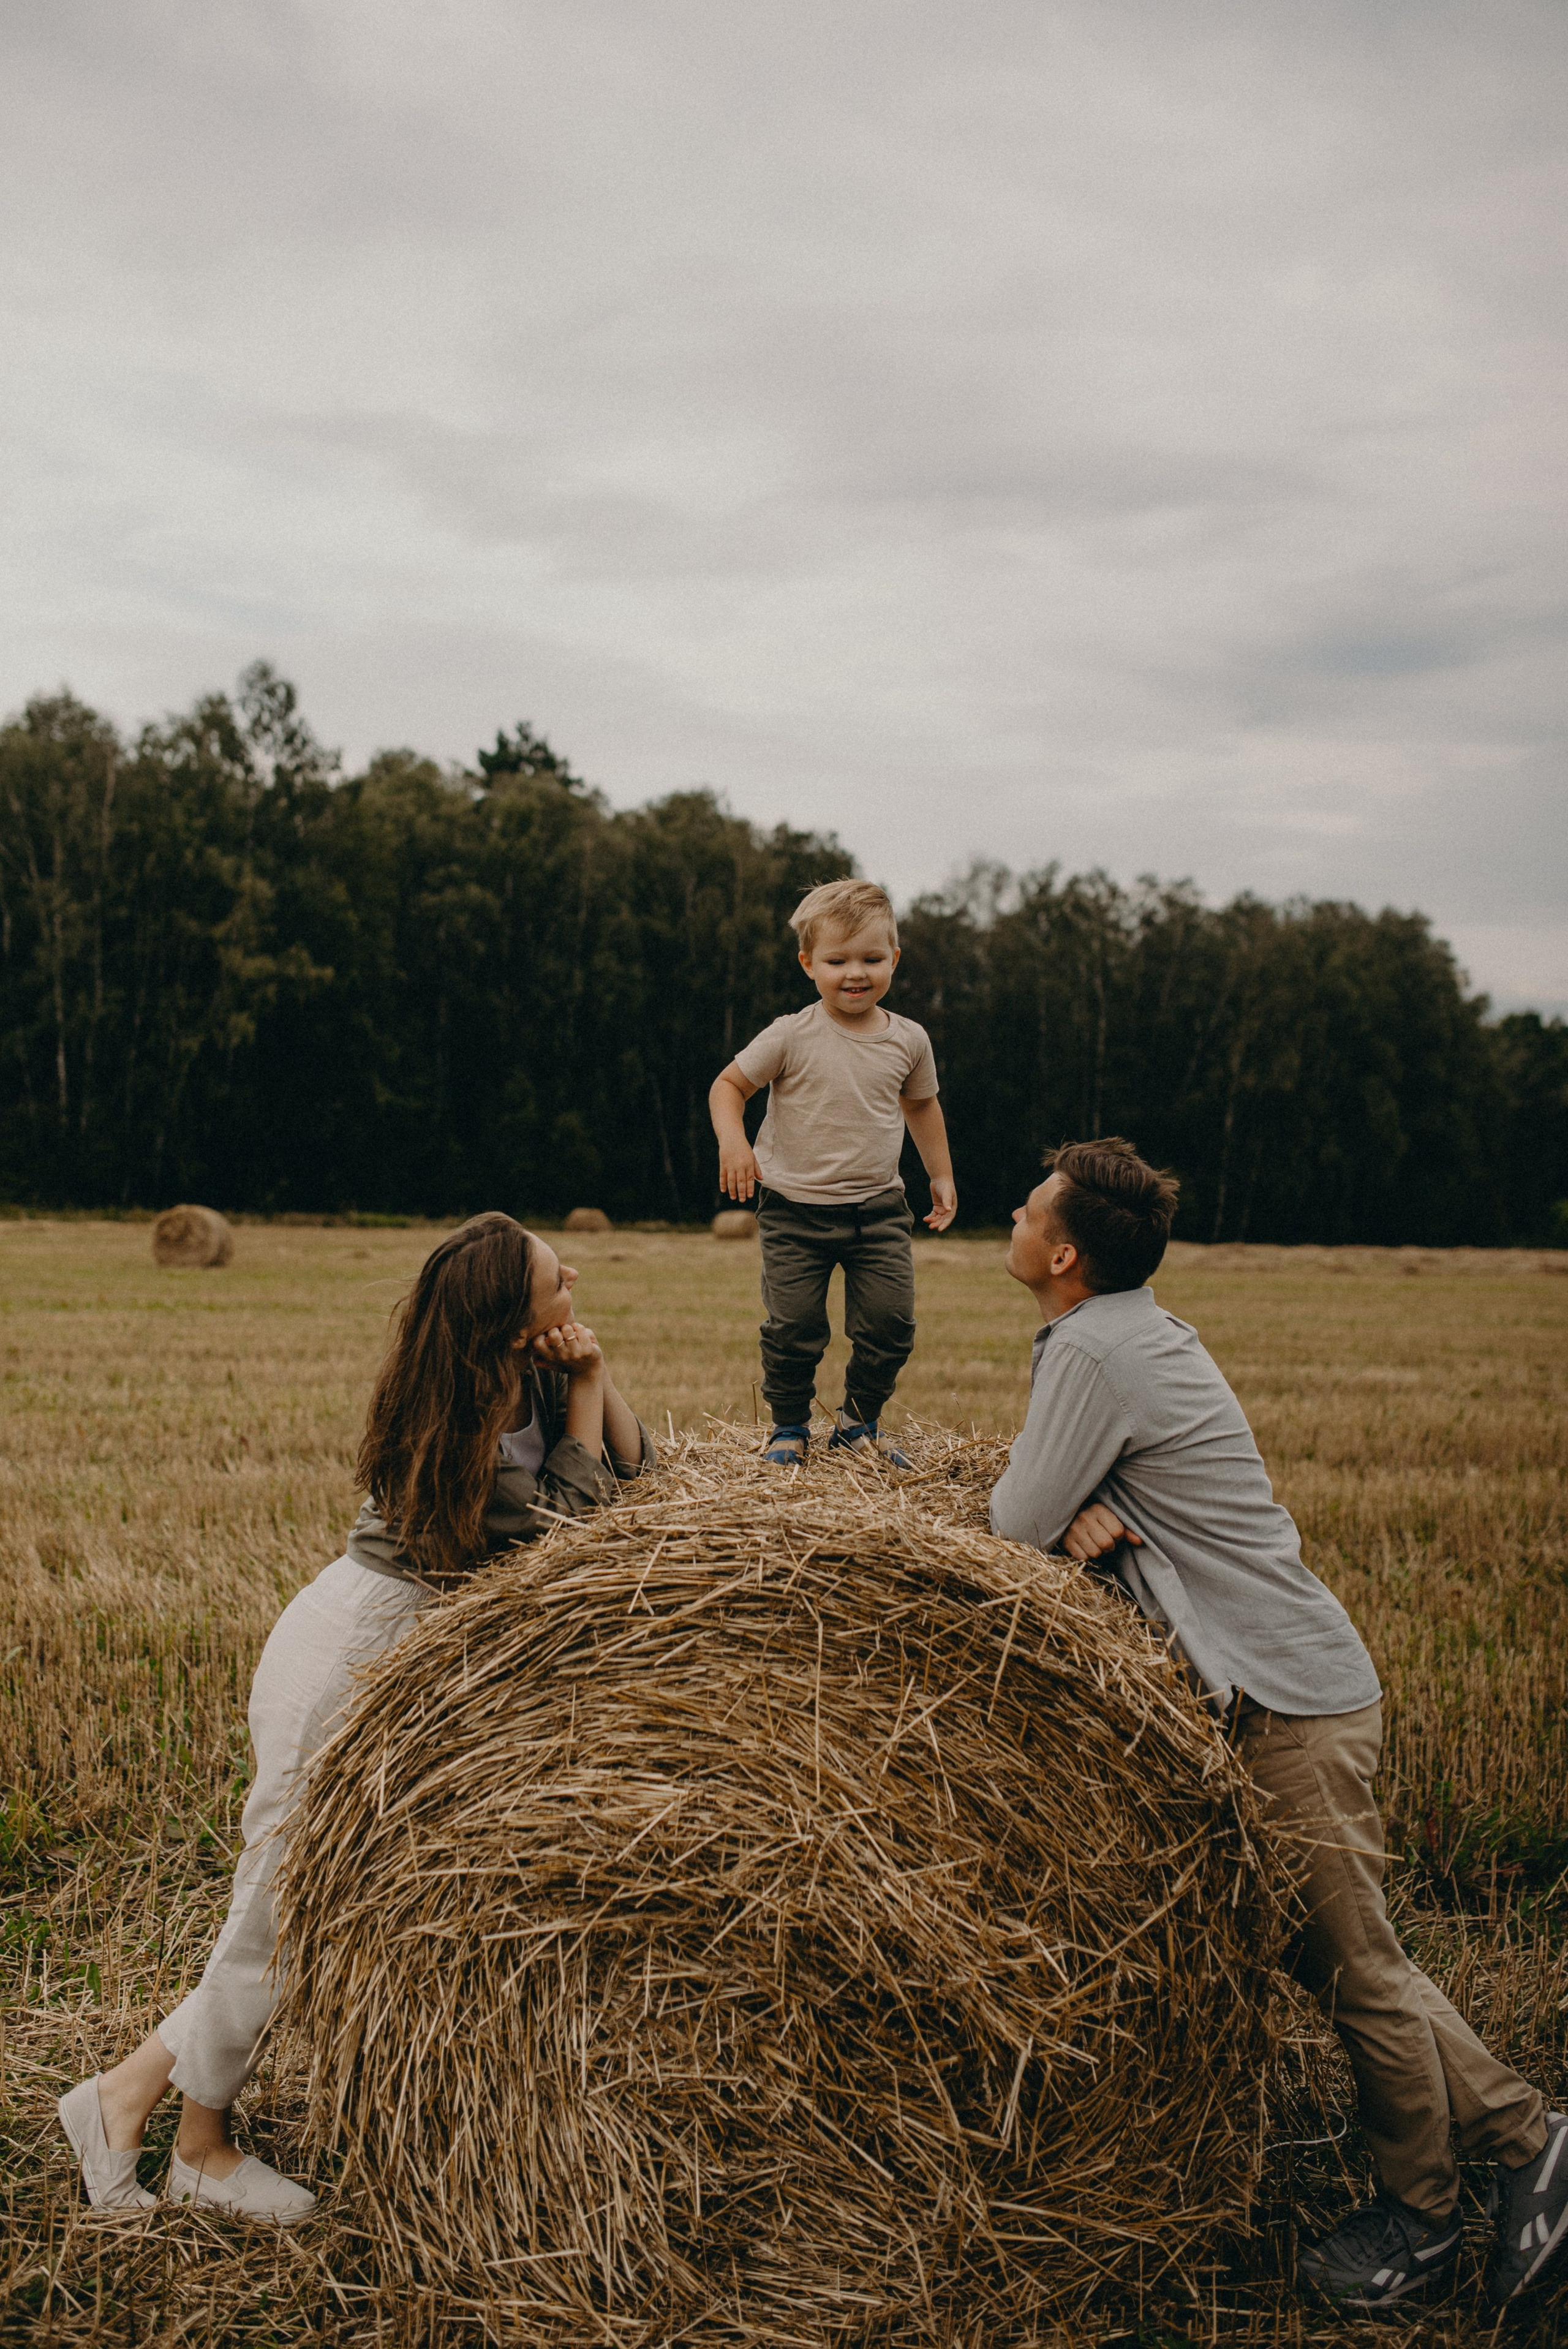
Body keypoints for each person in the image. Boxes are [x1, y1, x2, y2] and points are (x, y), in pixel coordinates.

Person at [987, 1140, 1567, 2314]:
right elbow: (1050, 1504)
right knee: (1350, 1962)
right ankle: (1523, 2144)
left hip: (1290, 1705)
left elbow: (1007, 1527)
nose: (1008, 1211)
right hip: (1288, 1690)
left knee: (1358, 1972)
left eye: (1028, 1207)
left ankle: (1438, 2213)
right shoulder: (1129, 1329)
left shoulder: (1096, 1347)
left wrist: (1066, 1508)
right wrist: (1079, 1504)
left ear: (1063, 1254)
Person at [58, 1213, 652, 2224]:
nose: (577, 1279)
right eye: (559, 1279)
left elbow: (639, 1477)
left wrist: (594, 1375)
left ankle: (129, 2101)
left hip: (400, 1671)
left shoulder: (535, 1374)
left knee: (298, 1916)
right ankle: (187, 2141)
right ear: (510, 1319)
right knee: (275, 1919)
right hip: (346, 1658)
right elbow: (565, 1539)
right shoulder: (452, 1420)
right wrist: (587, 1398)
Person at [708, 878, 956, 1468]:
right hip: (794, 1209)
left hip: (878, 1209)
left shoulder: (909, 1040)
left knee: (892, 1323)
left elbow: (921, 1106)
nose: (856, 972)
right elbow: (729, 1086)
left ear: (894, 959)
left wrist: (940, 1174)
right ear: (808, 964)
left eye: (872, 958)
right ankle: (790, 1426)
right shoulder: (792, 1034)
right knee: (794, 1327)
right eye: (837, 960)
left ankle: (857, 1423)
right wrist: (734, 1144)